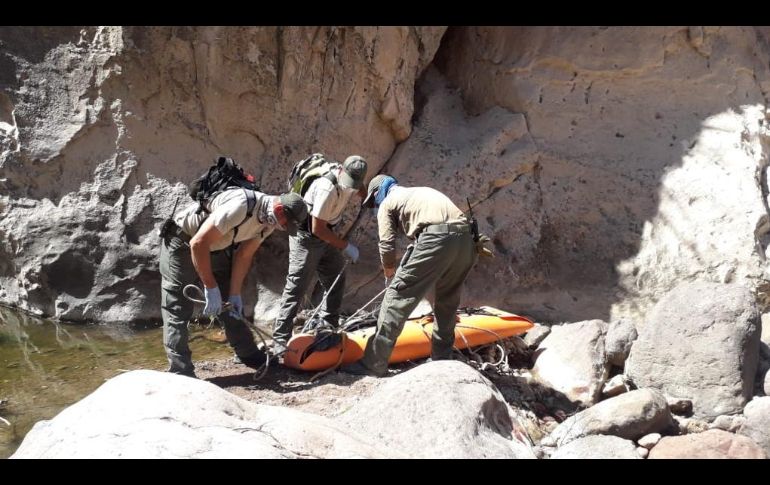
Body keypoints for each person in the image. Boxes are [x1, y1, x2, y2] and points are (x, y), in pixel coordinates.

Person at [160, 188, 308, 378]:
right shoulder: (240, 206)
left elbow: (244, 255)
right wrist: (210, 287)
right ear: (279, 209)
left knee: (230, 306)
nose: (283, 228)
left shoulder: (269, 222)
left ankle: (248, 354)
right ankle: (182, 372)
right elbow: (198, 243)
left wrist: (234, 293)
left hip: (215, 246)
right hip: (182, 241)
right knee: (177, 306)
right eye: (285, 223)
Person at [340, 174, 478, 376]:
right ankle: (442, 359)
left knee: (396, 299)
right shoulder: (421, 191)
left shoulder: (387, 203)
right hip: (468, 240)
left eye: (373, 201)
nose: (375, 206)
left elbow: (386, 244)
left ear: (378, 192)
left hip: (437, 239)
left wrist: (389, 274)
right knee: (447, 302)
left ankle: (373, 363)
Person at [272, 155, 368, 355]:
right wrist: (345, 246)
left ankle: (327, 328)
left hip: (327, 233)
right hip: (307, 236)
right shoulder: (327, 188)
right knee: (297, 286)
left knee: (336, 277)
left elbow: (361, 189)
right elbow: (317, 229)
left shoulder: (352, 179)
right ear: (342, 170)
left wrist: (368, 198)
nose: (352, 187)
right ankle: (280, 340)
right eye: (350, 182)